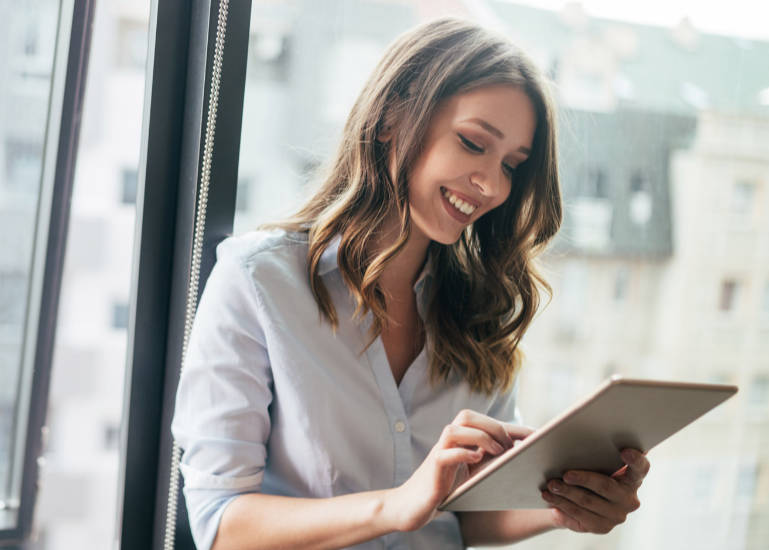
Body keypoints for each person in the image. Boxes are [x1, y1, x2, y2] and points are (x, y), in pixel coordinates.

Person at [171, 16, 649, 550]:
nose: (492, 185)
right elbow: (220, 523)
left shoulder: (482, 309)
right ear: (393, 118)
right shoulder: (258, 282)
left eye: (512, 165)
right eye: (472, 142)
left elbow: (469, 515)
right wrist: (396, 505)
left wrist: (564, 508)